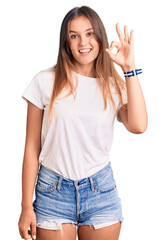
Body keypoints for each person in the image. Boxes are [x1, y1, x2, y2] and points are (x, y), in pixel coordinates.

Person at [18, 5, 148, 240]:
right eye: (74, 36)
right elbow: (31, 148)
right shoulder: (45, 82)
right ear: (65, 42)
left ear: (99, 36)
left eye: (89, 34)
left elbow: (138, 126)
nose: (83, 43)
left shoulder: (113, 85)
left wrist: (129, 68)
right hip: (52, 192)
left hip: (100, 191)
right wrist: (26, 206)